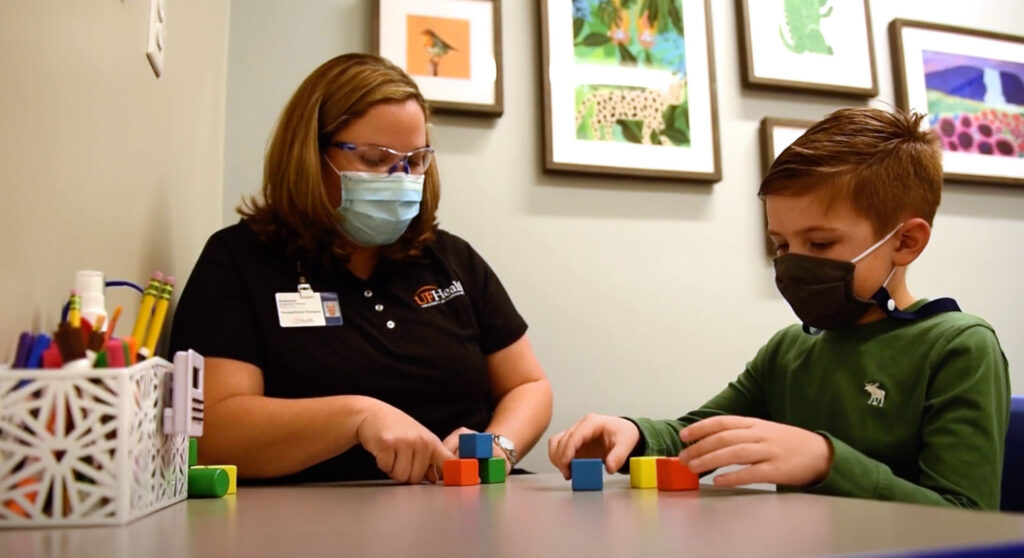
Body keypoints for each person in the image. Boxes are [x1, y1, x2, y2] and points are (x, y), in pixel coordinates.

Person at [548, 108, 1009, 509]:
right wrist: (631, 433)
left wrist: (826, 461)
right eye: (782, 245)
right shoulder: (791, 350)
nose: (793, 262)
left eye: (821, 242)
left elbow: (965, 514)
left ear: (905, 242)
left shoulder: (959, 348)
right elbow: (697, 433)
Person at [170, 53, 552, 484]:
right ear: (311, 155)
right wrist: (357, 417)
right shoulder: (238, 260)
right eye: (373, 160)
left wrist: (499, 447)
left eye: (415, 161)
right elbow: (213, 431)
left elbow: (528, 385)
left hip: (465, 507)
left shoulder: (451, 259)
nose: (400, 178)